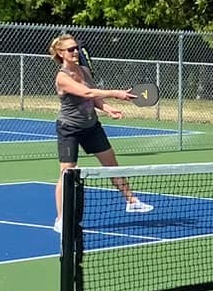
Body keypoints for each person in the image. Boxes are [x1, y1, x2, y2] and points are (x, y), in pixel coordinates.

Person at [51, 34, 151, 230]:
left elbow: (93, 96)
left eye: (76, 48)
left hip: (91, 127)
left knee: (112, 165)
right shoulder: (62, 77)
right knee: (67, 173)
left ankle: (131, 201)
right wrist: (116, 93)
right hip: (69, 128)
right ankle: (61, 219)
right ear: (60, 53)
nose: (75, 51)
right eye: (70, 49)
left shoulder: (84, 70)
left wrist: (107, 108)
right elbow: (86, 93)